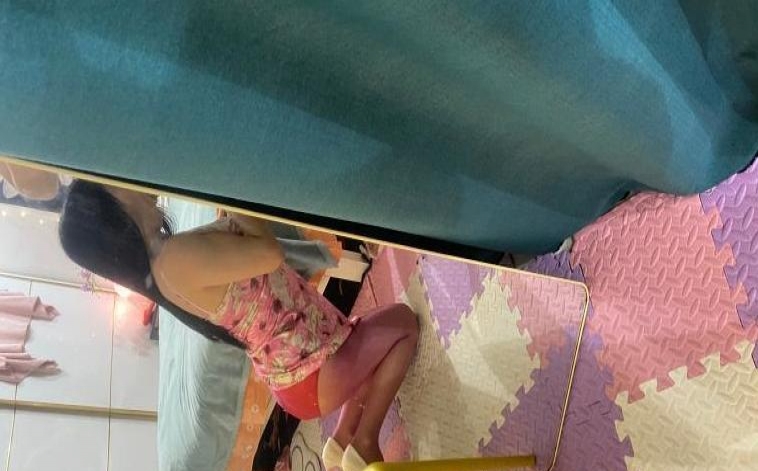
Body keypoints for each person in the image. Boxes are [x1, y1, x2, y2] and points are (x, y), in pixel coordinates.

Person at [58, 180, 418, 471]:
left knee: (369, 354)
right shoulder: (172, 260)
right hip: (308, 369)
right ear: (110, 215)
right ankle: (365, 439)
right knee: (403, 326)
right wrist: (233, 186)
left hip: (302, 363)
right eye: (112, 184)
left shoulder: (165, 259)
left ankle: (341, 438)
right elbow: (268, 254)